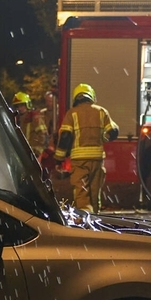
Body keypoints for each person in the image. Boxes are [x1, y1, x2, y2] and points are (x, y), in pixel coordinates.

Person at [53, 83, 119, 212]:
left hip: (79, 161)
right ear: (91, 96)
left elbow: (65, 137)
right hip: (97, 160)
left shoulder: (72, 114)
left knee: (82, 192)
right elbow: (113, 132)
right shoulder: (101, 111)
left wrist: (59, 159)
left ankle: (85, 222)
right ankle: (96, 220)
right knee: (95, 192)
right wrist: (102, 138)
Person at [11, 91, 48, 156]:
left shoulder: (34, 117)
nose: (19, 108)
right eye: (17, 106)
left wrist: (37, 152)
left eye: (22, 105)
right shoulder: (16, 119)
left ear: (27, 104)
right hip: (22, 153)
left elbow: (43, 135)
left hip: (34, 153)